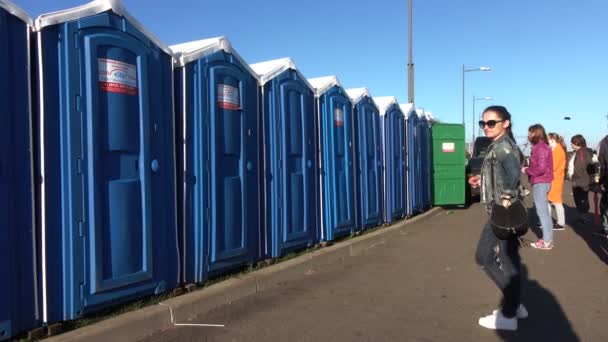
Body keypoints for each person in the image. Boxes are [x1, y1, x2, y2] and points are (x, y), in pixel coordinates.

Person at [470, 105, 525, 331]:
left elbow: (513, 176)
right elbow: (502, 175)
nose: (486, 127)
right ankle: (515, 306)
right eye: (483, 123)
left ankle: (510, 313)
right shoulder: (502, 144)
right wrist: (481, 182)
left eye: (491, 122)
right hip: (501, 210)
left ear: (506, 122)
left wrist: (504, 200)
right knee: (505, 257)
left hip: (501, 212)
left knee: (486, 257)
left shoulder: (503, 146)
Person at [523, 124, 554, 249]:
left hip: (540, 182)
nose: (528, 135)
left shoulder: (539, 148)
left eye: (530, 132)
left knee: (542, 212)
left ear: (536, 133)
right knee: (544, 212)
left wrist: (527, 170)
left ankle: (547, 241)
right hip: (544, 181)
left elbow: (540, 168)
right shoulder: (542, 146)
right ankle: (548, 239)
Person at [568, 134, 594, 224]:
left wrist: (576, 180)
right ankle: (582, 217)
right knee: (580, 199)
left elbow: (580, 167)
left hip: (580, 181)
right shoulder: (578, 152)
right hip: (580, 180)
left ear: (576, 143)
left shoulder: (582, 152)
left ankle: (584, 218)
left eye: (572, 142)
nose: (570, 144)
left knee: (581, 199)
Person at [547, 133, 567, 230]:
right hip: (555, 178)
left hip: (555, 179)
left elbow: (553, 166)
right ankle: (549, 221)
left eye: (548, 141)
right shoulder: (556, 150)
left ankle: (560, 223)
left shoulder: (558, 151)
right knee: (552, 201)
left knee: (556, 201)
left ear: (552, 140)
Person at [597, 134, 608, 234]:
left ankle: (606, 228)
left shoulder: (604, 142)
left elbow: (602, 166)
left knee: (604, 206)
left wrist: (600, 182)